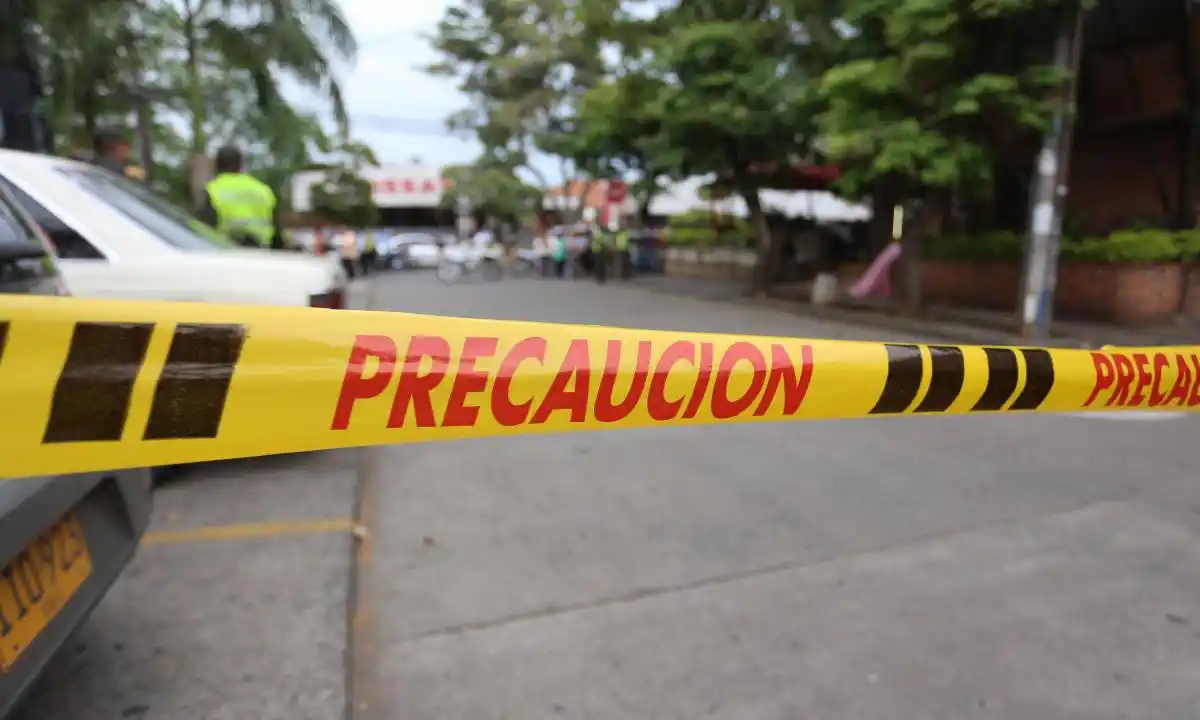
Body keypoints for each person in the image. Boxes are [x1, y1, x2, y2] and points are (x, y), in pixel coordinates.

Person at [195, 146, 286, 250]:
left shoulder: (213, 190)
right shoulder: (264, 191)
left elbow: (201, 229)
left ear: (217, 165)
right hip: (261, 256)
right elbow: (277, 232)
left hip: (225, 254)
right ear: (241, 164)